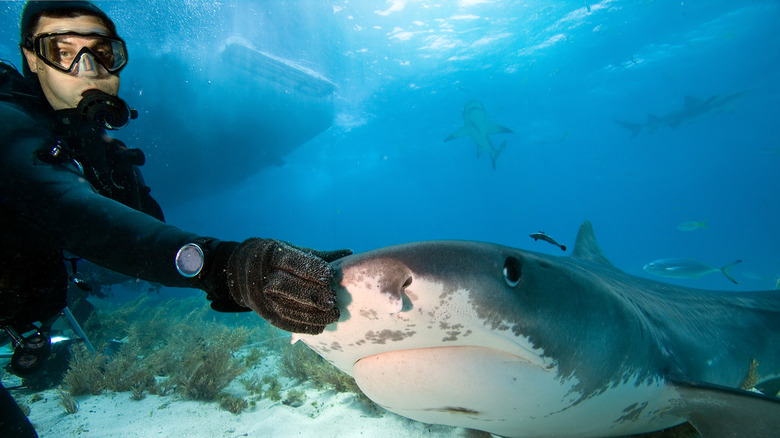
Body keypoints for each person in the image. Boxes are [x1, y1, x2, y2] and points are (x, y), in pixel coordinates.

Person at [0, 2, 350, 436]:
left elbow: (140, 234)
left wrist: (108, 158)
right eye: (63, 50)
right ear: (32, 59)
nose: (87, 67)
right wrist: (227, 266)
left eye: (102, 53)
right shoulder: (7, 125)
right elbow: (76, 215)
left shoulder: (92, 148)